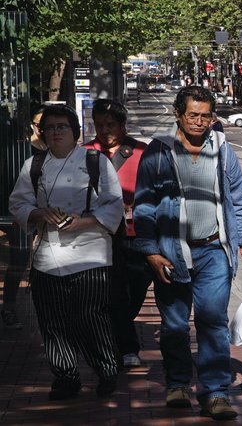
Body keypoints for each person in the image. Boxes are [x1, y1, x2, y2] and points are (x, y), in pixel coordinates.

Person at [134, 86, 242, 420]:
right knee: (174, 324)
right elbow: (143, 204)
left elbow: (237, 197)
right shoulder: (158, 152)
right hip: (171, 252)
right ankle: (177, 385)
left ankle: (215, 392)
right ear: (178, 114)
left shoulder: (222, 150)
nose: (200, 122)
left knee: (213, 320)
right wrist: (150, 251)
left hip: (214, 250)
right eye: (193, 115)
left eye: (206, 116)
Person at [8, 104, 124, 399]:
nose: (56, 132)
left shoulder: (95, 161)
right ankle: (66, 376)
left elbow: (113, 204)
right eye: (50, 128)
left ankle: (107, 369)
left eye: (62, 127)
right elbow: (18, 204)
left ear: (76, 132)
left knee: (91, 316)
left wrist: (82, 221)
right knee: (52, 321)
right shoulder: (33, 166)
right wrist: (38, 213)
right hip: (49, 254)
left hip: (92, 252)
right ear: (42, 133)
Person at [83, 99, 151, 368]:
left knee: (136, 287)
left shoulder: (142, 152)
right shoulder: (85, 153)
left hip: (135, 232)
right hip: (98, 233)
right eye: (99, 125)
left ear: (123, 125)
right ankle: (124, 345)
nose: (104, 130)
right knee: (111, 292)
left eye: (110, 124)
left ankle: (119, 333)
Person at [2, 104, 46, 330]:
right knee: (19, 259)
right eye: (41, 124)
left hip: (46, 213)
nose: (46, 129)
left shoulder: (58, 148)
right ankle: (9, 306)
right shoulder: (23, 149)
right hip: (22, 212)